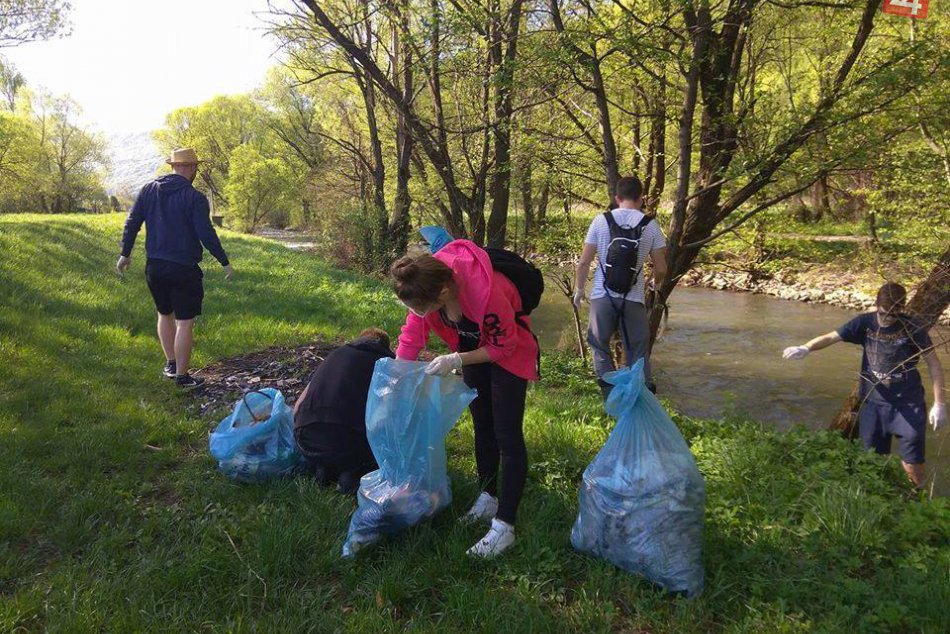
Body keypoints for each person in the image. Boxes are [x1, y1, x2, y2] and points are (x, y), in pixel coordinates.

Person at [391, 240, 540, 558]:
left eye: (420, 308)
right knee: (482, 425)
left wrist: (456, 360)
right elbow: (411, 336)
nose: (417, 314)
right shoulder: (425, 287)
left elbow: (504, 346)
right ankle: (488, 496)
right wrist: (398, 380)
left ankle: (505, 526)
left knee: (507, 435)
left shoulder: (487, 291)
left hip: (508, 351)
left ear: (444, 294)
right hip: (471, 348)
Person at [783, 282, 946, 487]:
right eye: (883, 313)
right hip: (873, 404)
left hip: (908, 404)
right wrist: (805, 348)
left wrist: (939, 404)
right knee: (872, 460)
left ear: (902, 309)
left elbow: (934, 365)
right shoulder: (865, 323)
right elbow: (830, 337)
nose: (887, 319)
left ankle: (917, 499)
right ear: (877, 306)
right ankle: (877, 498)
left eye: (893, 315)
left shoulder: (913, 328)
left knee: (912, 463)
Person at [117, 148, 233, 389]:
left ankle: (171, 364)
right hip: (183, 269)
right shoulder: (194, 197)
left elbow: (132, 223)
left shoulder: (149, 190)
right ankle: (182, 377)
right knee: (185, 322)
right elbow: (206, 234)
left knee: (164, 314)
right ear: (189, 168)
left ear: (173, 166)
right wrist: (224, 261)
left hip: (154, 267)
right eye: (195, 168)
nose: (195, 172)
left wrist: (125, 253)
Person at [573, 176, 667, 397]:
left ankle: (611, 398)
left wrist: (579, 290)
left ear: (617, 198)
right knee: (637, 351)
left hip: (602, 297)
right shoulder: (650, 225)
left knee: (598, 344)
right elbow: (661, 267)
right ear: (641, 198)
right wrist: (655, 283)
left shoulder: (600, 221)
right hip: (633, 299)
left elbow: (584, 261)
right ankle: (640, 402)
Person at [292, 328, 394, 495]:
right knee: (381, 445)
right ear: (385, 347)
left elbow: (298, 406)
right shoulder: (385, 363)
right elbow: (389, 413)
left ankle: (324, 468)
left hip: (304, 439)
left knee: (333, 440)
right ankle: (352, 476)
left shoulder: (335, 355)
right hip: (345, 445)